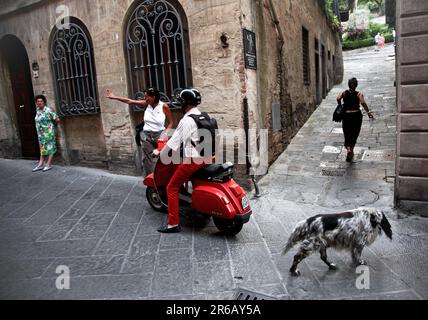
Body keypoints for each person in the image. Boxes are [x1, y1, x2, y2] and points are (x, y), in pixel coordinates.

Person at [154, 88, 212, 233]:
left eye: (180, 102)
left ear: (185, 103)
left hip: (193, 160)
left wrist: (159, 152)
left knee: (171, 188)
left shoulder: (186, 120)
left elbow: (174, 142)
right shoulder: (204, 115)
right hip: (208, 157)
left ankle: (173, 224)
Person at [106, 87, 174, 176]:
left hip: (160, 135)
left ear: (153, 97)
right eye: (144, 97)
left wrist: (165, 134)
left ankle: (164, 177)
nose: (145, 99)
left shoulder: (164, 106)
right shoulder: (146, 104)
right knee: (147, 159)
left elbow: (171, 123)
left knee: (163, 157)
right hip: (146, 135)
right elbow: (129, 101)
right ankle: (151, 180)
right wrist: (114, 97)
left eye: (146, 97)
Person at [337, 78, 373, 162]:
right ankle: (351, 150)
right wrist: (368, 112)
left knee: (347, 132)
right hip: (356, 116)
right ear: (356, 85)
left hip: (346, 116)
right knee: (354, 133)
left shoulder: (344, 93)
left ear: (348, 85)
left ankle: (349, 149)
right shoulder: (359, 94)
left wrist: (340, 105)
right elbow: (363, 103)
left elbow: (338, 98)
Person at [32, 95, 60, 172]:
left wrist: (53, 126)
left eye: (41, 101)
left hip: (49, 133)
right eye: (38, 101)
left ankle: (48, 164)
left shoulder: (48, 110)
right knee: (42, 148)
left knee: (50, 147)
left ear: (44, 102)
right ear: (36, 103)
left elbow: (57, 119)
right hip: (41, 134)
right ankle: (41, 164)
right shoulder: (38, 110)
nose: (39, 102)